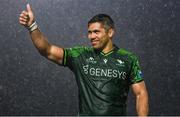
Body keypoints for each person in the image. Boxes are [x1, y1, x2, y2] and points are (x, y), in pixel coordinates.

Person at [19, 4, 149, 116]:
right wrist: (32, 26)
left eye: (96, 32)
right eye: (89, 32)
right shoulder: (80, 55)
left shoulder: (128, 58)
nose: (91, 36)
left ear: (110, 33)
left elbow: (141, 93)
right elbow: (47, 50)